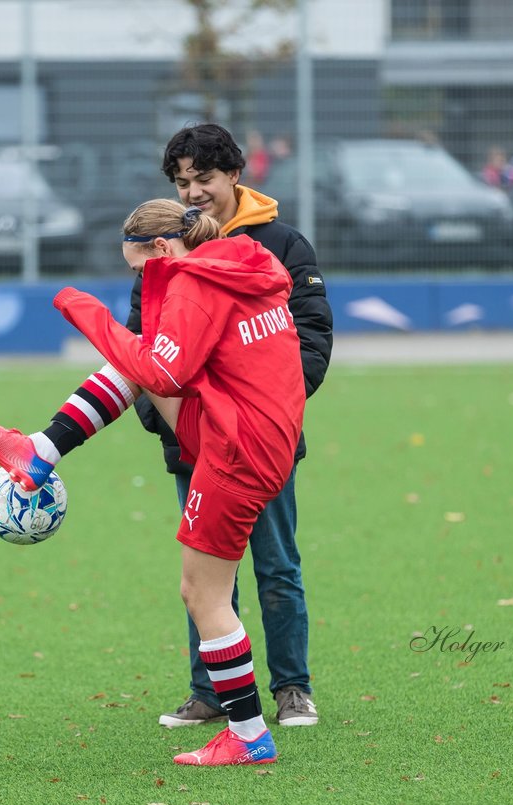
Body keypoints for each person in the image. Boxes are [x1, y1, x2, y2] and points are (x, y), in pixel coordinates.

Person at [0, 199, 305, 765]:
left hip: (237, 449)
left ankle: (250, 737)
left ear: (162, 250)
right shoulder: (239, 261)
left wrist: (85, 312)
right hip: (254, 430)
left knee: (203, 594)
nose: (141, 279)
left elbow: (165, 372)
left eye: (139, 269)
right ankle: (40, 452)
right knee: (136, 359)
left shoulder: (196, 287)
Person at [133, 123, 332, 730]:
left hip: (258, 443)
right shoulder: (162, 247)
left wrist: (255, 411)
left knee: (277, 565)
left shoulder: (282, 244)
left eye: (205, 179)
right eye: (182, 181)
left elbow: (312, 342)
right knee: (205, 578)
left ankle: (292, 688)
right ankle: (209, 691)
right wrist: (167, 420)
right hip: (192, 442)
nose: (193, 193)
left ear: (235, 177)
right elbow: (141, 346)